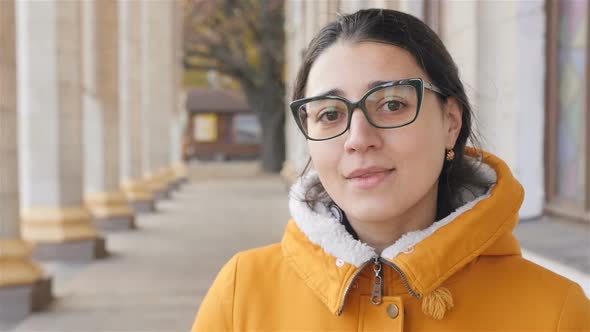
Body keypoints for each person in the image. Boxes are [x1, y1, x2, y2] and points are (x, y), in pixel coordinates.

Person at [192, 8, 590, 331]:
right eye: (330, 114)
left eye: (393, 105)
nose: (358, 137)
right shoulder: (242, 293)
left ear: (450, 122)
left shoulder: (554, 312)